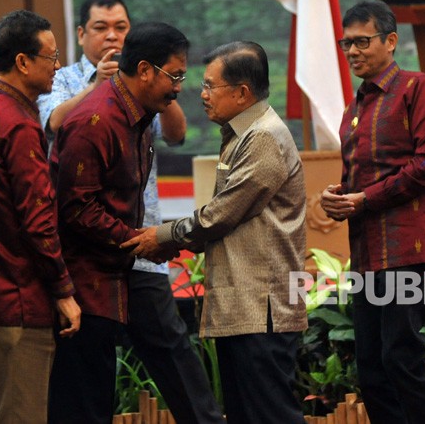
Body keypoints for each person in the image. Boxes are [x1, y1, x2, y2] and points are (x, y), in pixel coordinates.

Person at [38, 0, 223, 424]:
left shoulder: (139, 110)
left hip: (131, 257)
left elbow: (176, 134)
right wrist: (138, 242)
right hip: (90, 271)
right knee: (87, 394)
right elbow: (77, 209)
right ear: (144, 71)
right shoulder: (92, 118)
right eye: (174, 78)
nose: (180, 89)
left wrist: (144, 242)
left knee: (176, 357)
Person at [124, 41, 308, 424]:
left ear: (242, 92)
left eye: (210, 86)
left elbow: (221, 215)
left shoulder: (263, 136)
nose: (202, 96)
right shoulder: (240, 133)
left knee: (270, 417)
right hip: (245, 306)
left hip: (263, 309)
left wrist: (162, 236)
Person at [320, 0, 425, 424]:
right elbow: (363, 178)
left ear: (391, 41)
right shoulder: (354, 108)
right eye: (347, 44)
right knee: (372, 367)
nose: (354, 51)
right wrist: (339, 196)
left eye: (363, 41)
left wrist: (365, 198)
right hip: (367, 253)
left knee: (401, 356)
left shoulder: (418, 87)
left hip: (407, 251)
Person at [0, 10, 81, 424]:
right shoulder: (18, 124)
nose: (58, 66)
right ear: (23, 62)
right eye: (52, 57)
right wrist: (63, 291)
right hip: (16, 301)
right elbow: (38, 220)